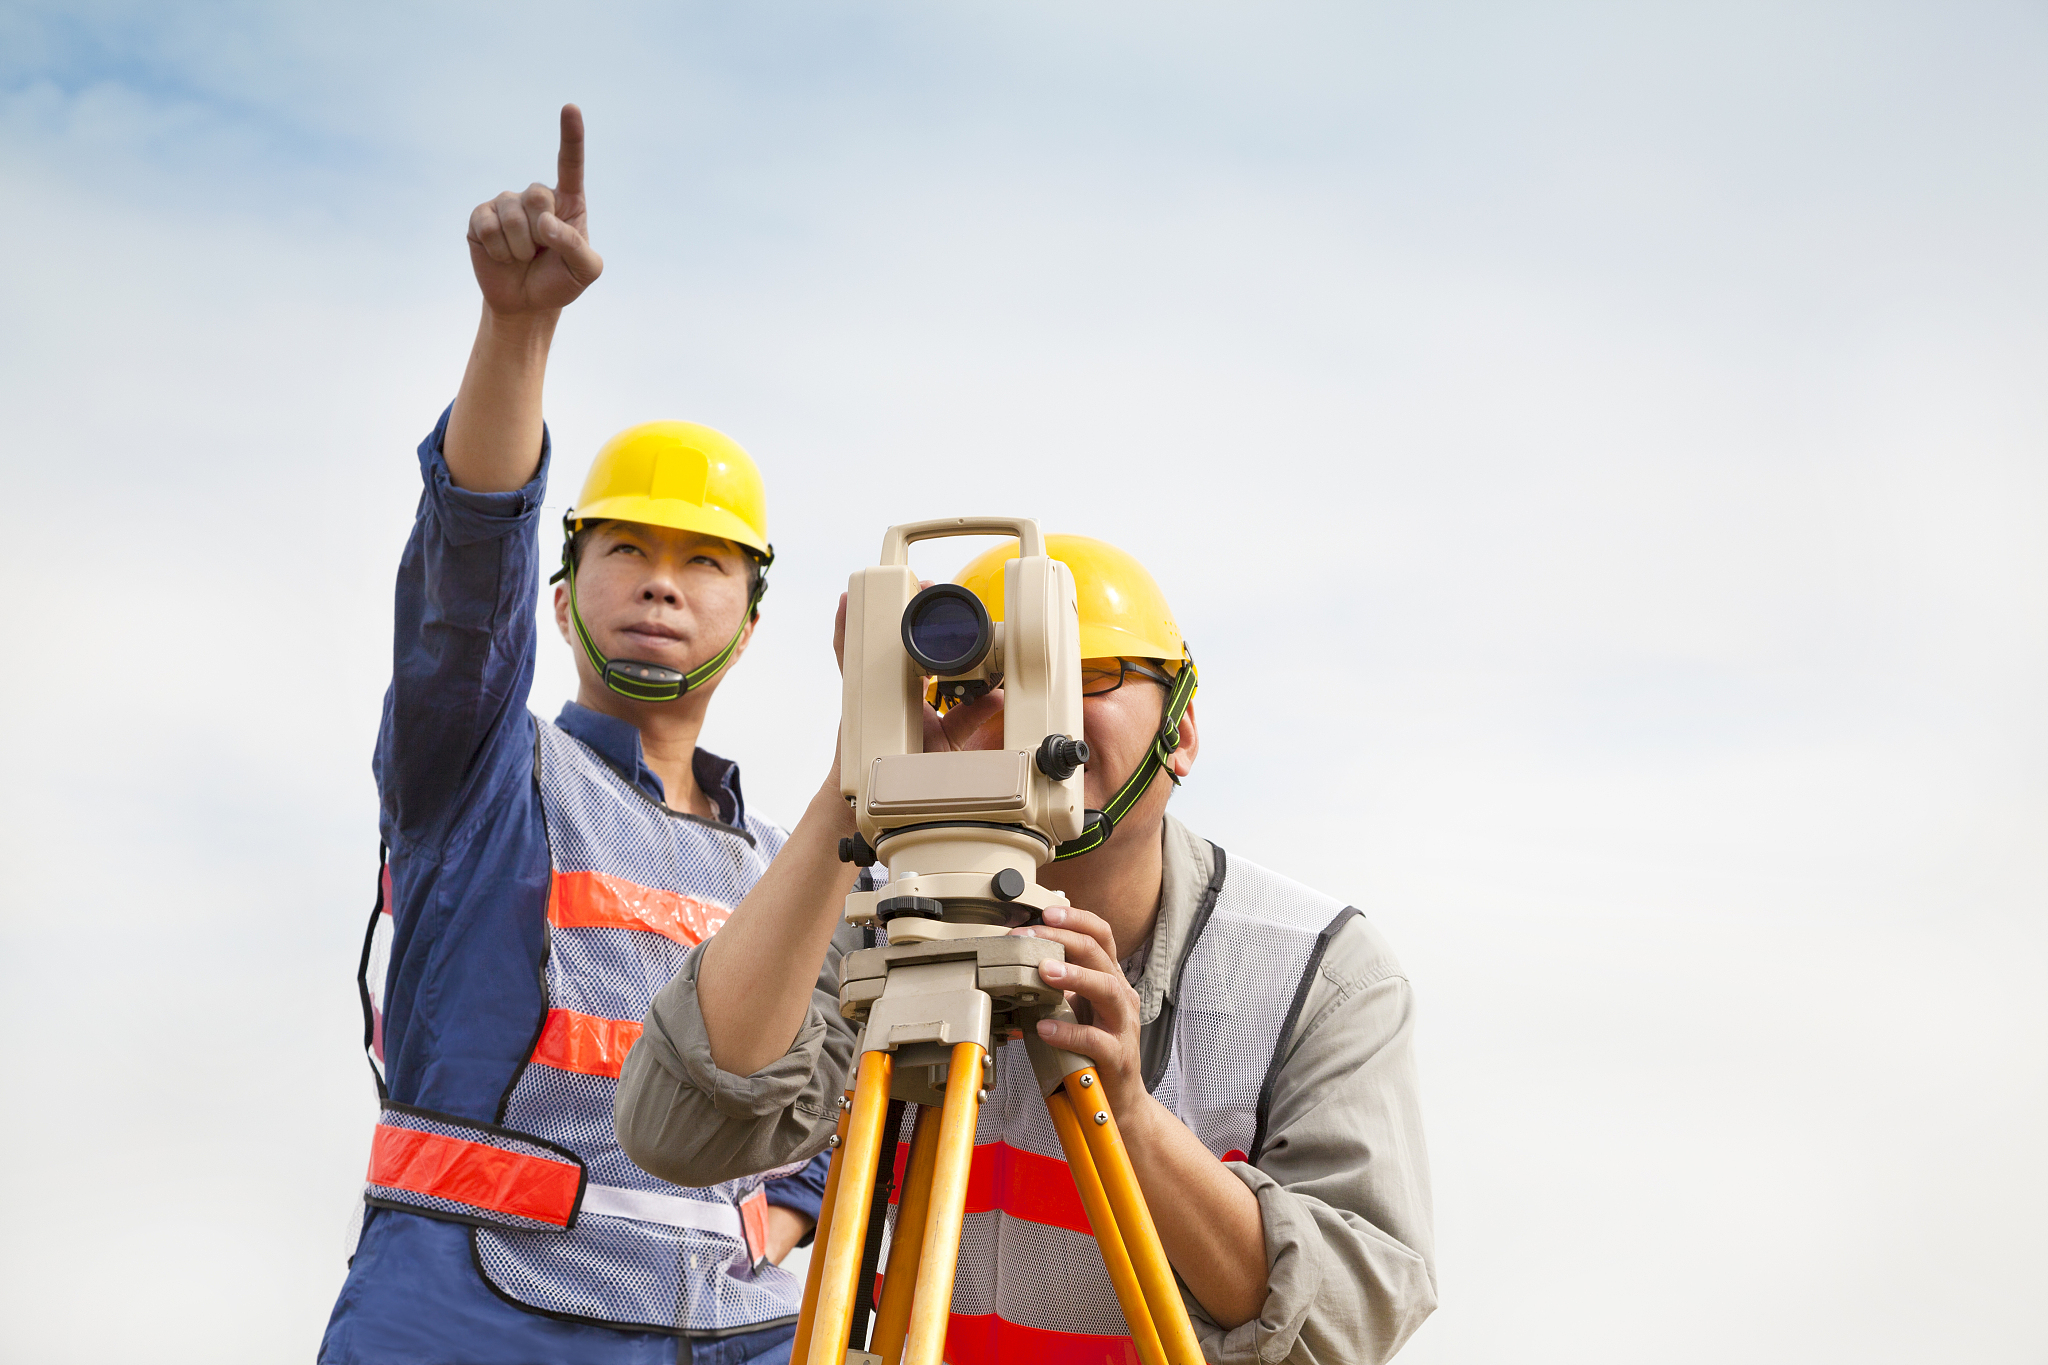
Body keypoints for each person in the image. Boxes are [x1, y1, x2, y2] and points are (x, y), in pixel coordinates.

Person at [614, 535, 1439, 1364]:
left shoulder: (1317, 970)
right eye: (979, 687)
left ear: (1180, 732)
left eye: (1089, 675)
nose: (1033, 709)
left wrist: (1134, 1117)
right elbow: (682, 1132)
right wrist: (853, 783)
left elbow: (1349, 1318)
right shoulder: (890, 921)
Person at [320, 104, 828, 1365]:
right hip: (469, 1318)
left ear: (748, 622)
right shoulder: (481, 773)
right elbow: (466, 568)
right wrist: (518, 327)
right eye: (627, 552)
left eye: (705, 562)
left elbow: (843, 1076)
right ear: (561, 598)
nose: (662, 583)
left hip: (733, 1331)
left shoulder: (791, 862)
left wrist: (793, 1215)